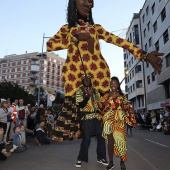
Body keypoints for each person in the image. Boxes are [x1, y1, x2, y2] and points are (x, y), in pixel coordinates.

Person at [47, 0, 163, 99]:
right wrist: (74, 39)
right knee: (73, 116)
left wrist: (144, 55)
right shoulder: (67, 29)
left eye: (90, 1)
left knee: (101, 117)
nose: (88, 4)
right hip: (73, 76)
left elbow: (118, 40)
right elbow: (50, 45)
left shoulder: (96, 28)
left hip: (99, 77)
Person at [98, 76, 136, 170]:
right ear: (110, 85)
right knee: (110, 141)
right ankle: (111, 162)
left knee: (121, 141)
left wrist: (130, 109)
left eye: (115, 83)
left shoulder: (122, 96)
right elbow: (100, 106)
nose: (113, 85)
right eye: (112, 83)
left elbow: (127, 106)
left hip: (119, 120)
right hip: (109, 120)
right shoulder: (106, 95)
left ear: (118, 85)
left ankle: (122, 162)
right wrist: (104, 103)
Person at [75, 74, 107, 168]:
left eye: (88, 79)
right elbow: (80, 105)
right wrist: (87, 96)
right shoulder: (79, 91)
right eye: (84, 79)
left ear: (90, 80)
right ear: (82, 81)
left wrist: (103, 102)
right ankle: (81, 158)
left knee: (101, 137)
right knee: (86, 138)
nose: (86, 81)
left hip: (97, 117)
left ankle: (101, 157)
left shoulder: (95, 90)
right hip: (87, 118)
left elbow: (99, 103)